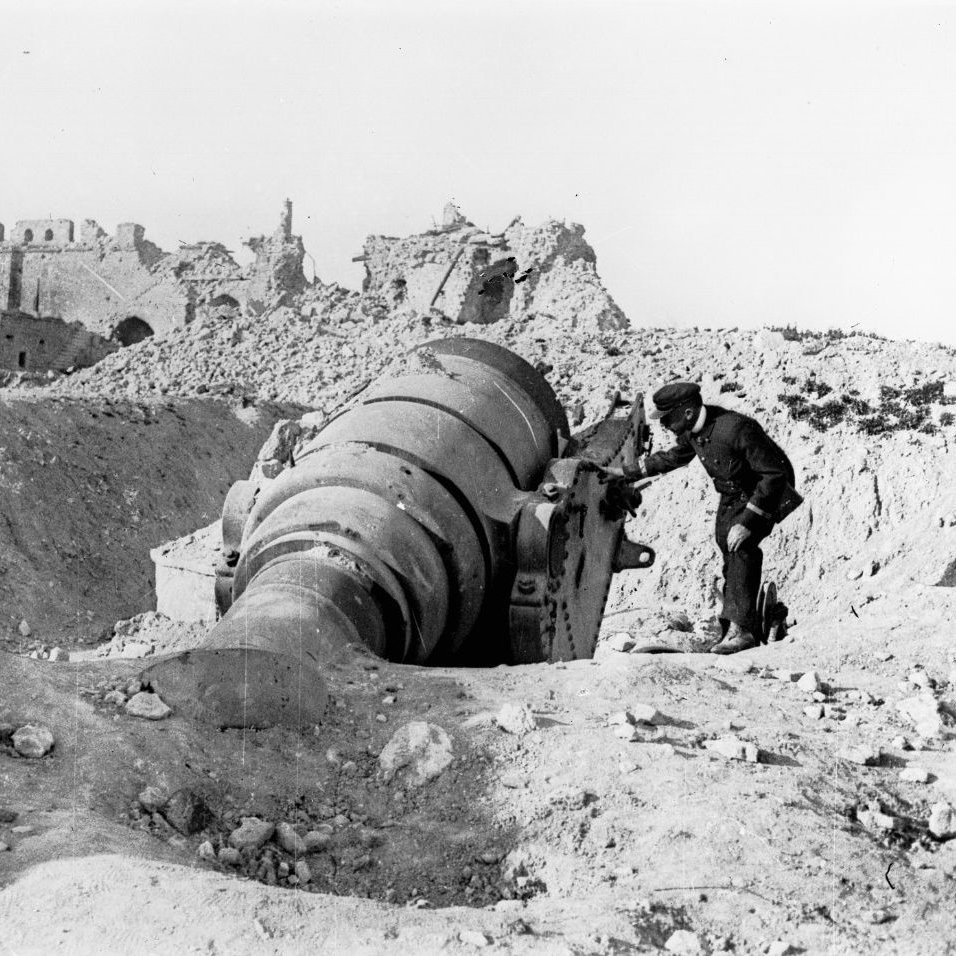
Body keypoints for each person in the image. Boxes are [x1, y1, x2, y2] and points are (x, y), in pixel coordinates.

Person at [605, 382, 801, 654]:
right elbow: (674, 458)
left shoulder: (736, 428)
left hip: (763, 493)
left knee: (741, 545)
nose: (664, 425)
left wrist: (749, 521)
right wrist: (626, 472)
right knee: (726, 545)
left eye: (667, 419)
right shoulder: (693, 430)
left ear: (687, 413)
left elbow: (774, 475)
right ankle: (742, 622)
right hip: (733, 495)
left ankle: (742, 632)